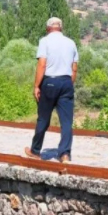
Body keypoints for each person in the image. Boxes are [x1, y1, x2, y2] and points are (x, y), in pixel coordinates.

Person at [24, 17, 79, 164]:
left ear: (48, 29)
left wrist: (36, 85)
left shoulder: (45, 41)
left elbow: (42, 64)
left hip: (50, 82)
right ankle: (65, 155)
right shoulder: (71, 43)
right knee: (66, 122)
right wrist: (68, 83)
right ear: (60, 28)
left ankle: (35, 151)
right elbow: (74, 68)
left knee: (43, 118)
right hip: (67, 82)